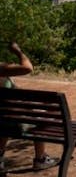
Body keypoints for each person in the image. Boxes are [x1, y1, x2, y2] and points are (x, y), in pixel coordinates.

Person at [0, 42, 58, 172]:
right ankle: (40, 159)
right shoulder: (1, 69)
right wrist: (17, 51)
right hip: (13, 123)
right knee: (39, 116)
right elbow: (28, 68)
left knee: (5, 116)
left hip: (3, 121)